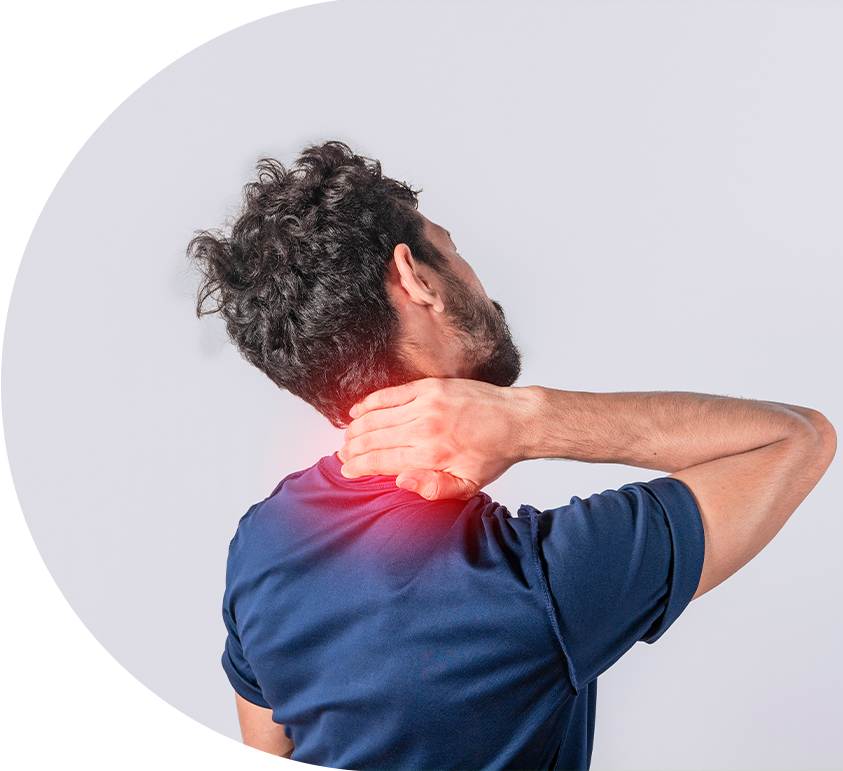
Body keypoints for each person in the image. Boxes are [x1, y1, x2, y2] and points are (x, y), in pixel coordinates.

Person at [189, 141, 836, 771]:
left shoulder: (262, 543)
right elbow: (797, 438)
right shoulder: (531, 581)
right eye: (450, 246)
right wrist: (530, 420)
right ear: (416, 279)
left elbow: (268, 764)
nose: (477, 279)